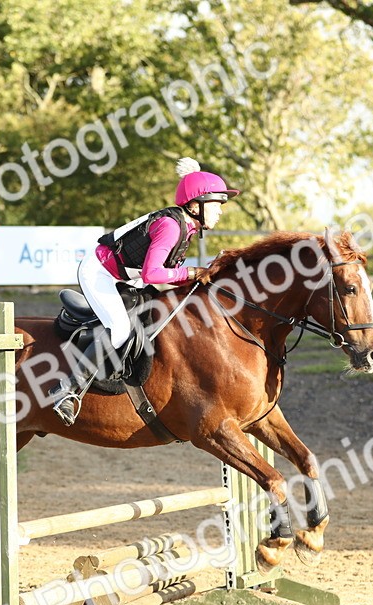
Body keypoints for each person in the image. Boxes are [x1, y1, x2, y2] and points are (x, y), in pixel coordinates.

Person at [48, 157, 239, 426]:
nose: (219, 212)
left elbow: (163, 274)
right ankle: (67, 391)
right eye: (216, 206)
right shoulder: (171, 226)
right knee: (120, 330)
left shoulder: (186, 227)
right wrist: (193, 273)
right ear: (196, 205)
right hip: (100, 272)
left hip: (129, 276)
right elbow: (154, 274)